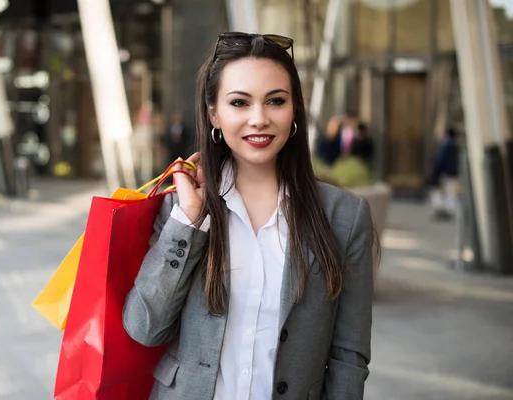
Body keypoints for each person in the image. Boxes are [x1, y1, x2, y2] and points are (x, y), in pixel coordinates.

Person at [123, 32, 375, 400]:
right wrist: (190, 222)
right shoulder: (180, 208)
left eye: (275, 101)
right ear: (214, 113)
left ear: (294, 111)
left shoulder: (344, 216)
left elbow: (348, 356)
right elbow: (145, 327)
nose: (259, 119)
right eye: (239, 102)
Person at [428, 126, 459, 219]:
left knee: (439, 191)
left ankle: (441, 210)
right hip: (453, 173)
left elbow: (440, 159)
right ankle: (449, 210)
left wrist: (435, 171)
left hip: (444, 172)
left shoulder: (444, 145)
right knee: (450, 192)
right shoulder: (455, 146)